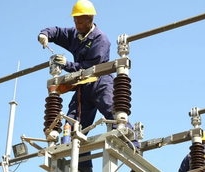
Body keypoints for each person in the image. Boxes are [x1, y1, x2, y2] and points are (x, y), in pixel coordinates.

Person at [38, 0, 140, 172]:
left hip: (100, 82)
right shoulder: (75, 34)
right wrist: (45, 34)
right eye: (75, 21)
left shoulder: (100, 39)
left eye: (80, 22)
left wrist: (67, 65)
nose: (77, 25)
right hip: (82, 89)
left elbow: (90, 68)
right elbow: (57, 31)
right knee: (73, 130)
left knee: (116, 115)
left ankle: (134, 148)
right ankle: (84, 168)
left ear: (90, 20)